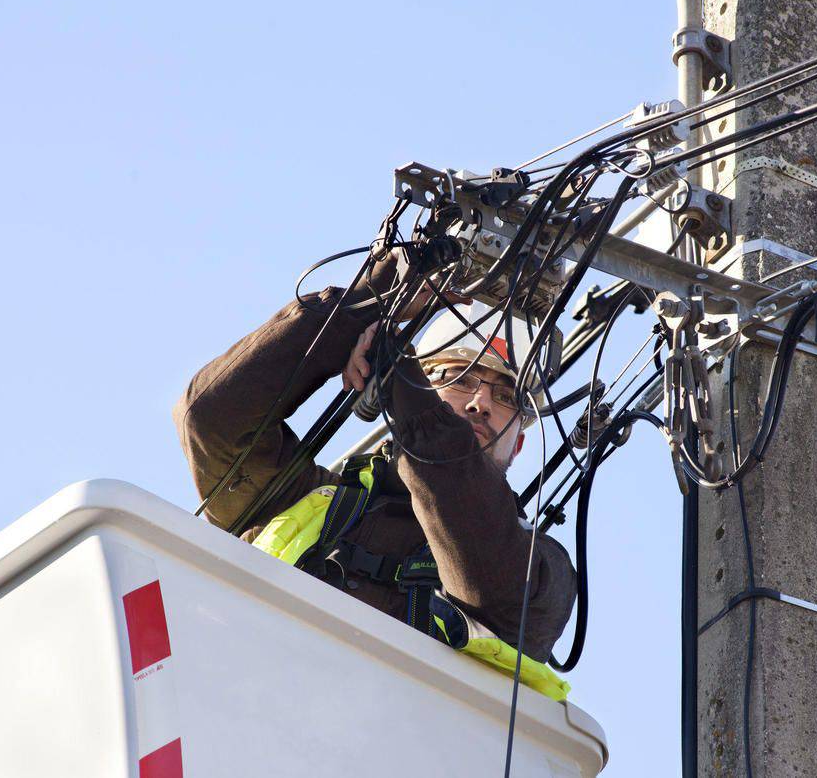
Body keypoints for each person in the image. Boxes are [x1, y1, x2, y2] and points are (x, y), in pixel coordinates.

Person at [173, 253, 576, 695]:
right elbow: (212, 419)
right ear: (423, 387)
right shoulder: (304, 502)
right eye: (459, 378)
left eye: (505, 397)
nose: (480, 402)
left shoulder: (542, 573)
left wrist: (400, 379)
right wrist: (369, 301)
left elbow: (470, 526)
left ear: (518, 443)